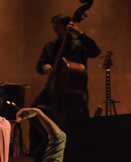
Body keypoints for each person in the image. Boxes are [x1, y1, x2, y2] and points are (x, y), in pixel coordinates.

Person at [29, 13, 101, 153]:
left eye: (59, 27)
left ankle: (80, 148)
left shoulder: (80, 44)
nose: (56, 30)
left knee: (81, 113)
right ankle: (36, 148)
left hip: (75, 88)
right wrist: (44, 66)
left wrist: (79, 34)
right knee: (34, 110)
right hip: (53, 88)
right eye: (54, 27)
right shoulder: (50, 46)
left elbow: (95, 52)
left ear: (69, 26)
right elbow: (40, 65)